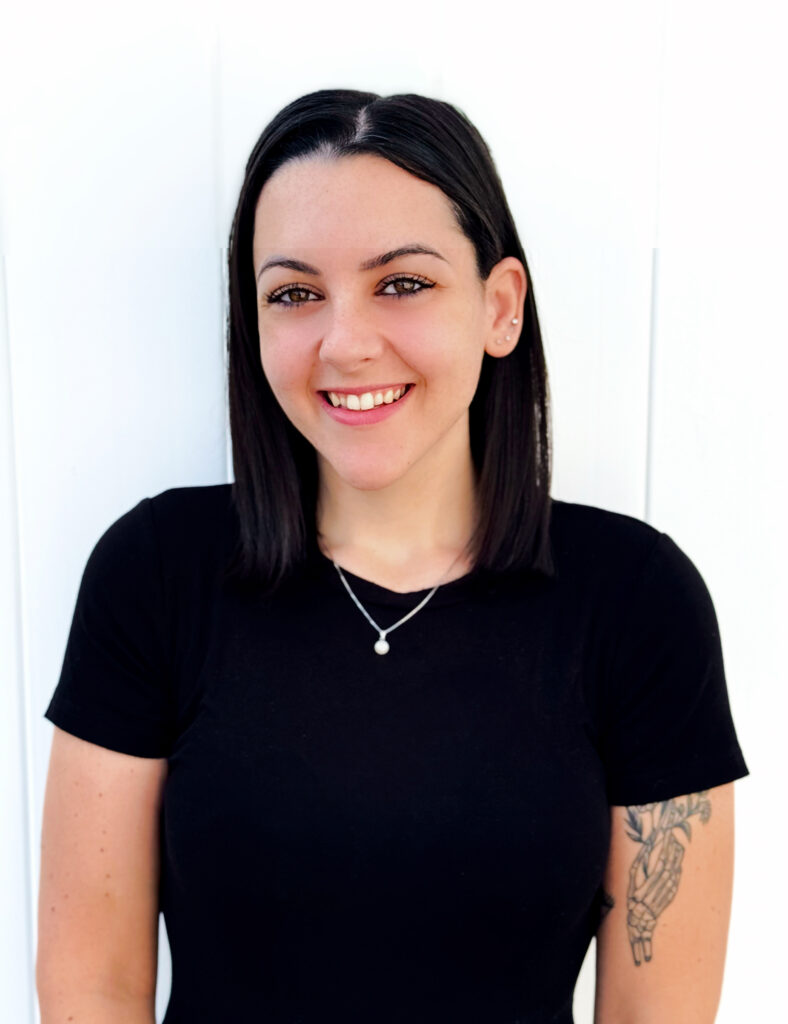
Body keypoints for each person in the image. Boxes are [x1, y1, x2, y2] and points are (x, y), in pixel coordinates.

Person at [37, 89, 750, 1024]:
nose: (345, 342)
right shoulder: (154, 575)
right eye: (295, 293)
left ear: (500, 309)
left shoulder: (637, 603)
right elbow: (93, 988)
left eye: (401, 283)